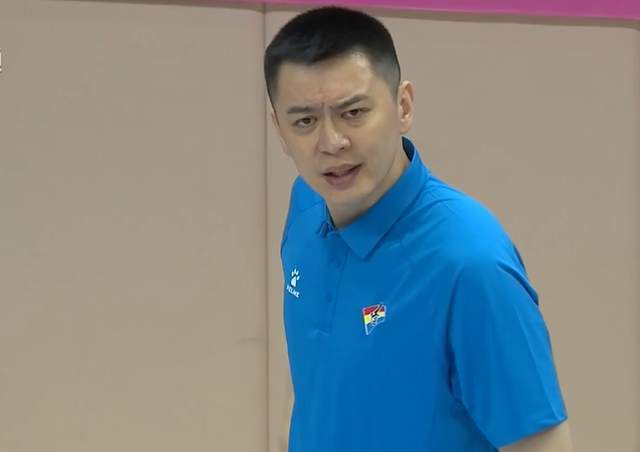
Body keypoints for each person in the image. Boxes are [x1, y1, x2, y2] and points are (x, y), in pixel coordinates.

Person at [264, 6, 572, 452]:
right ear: (279, 127)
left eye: (353, 112)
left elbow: (543, 445)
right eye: (305, 121)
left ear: (403, 106)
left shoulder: (470, 265)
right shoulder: (308, 203)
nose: (331, 143)